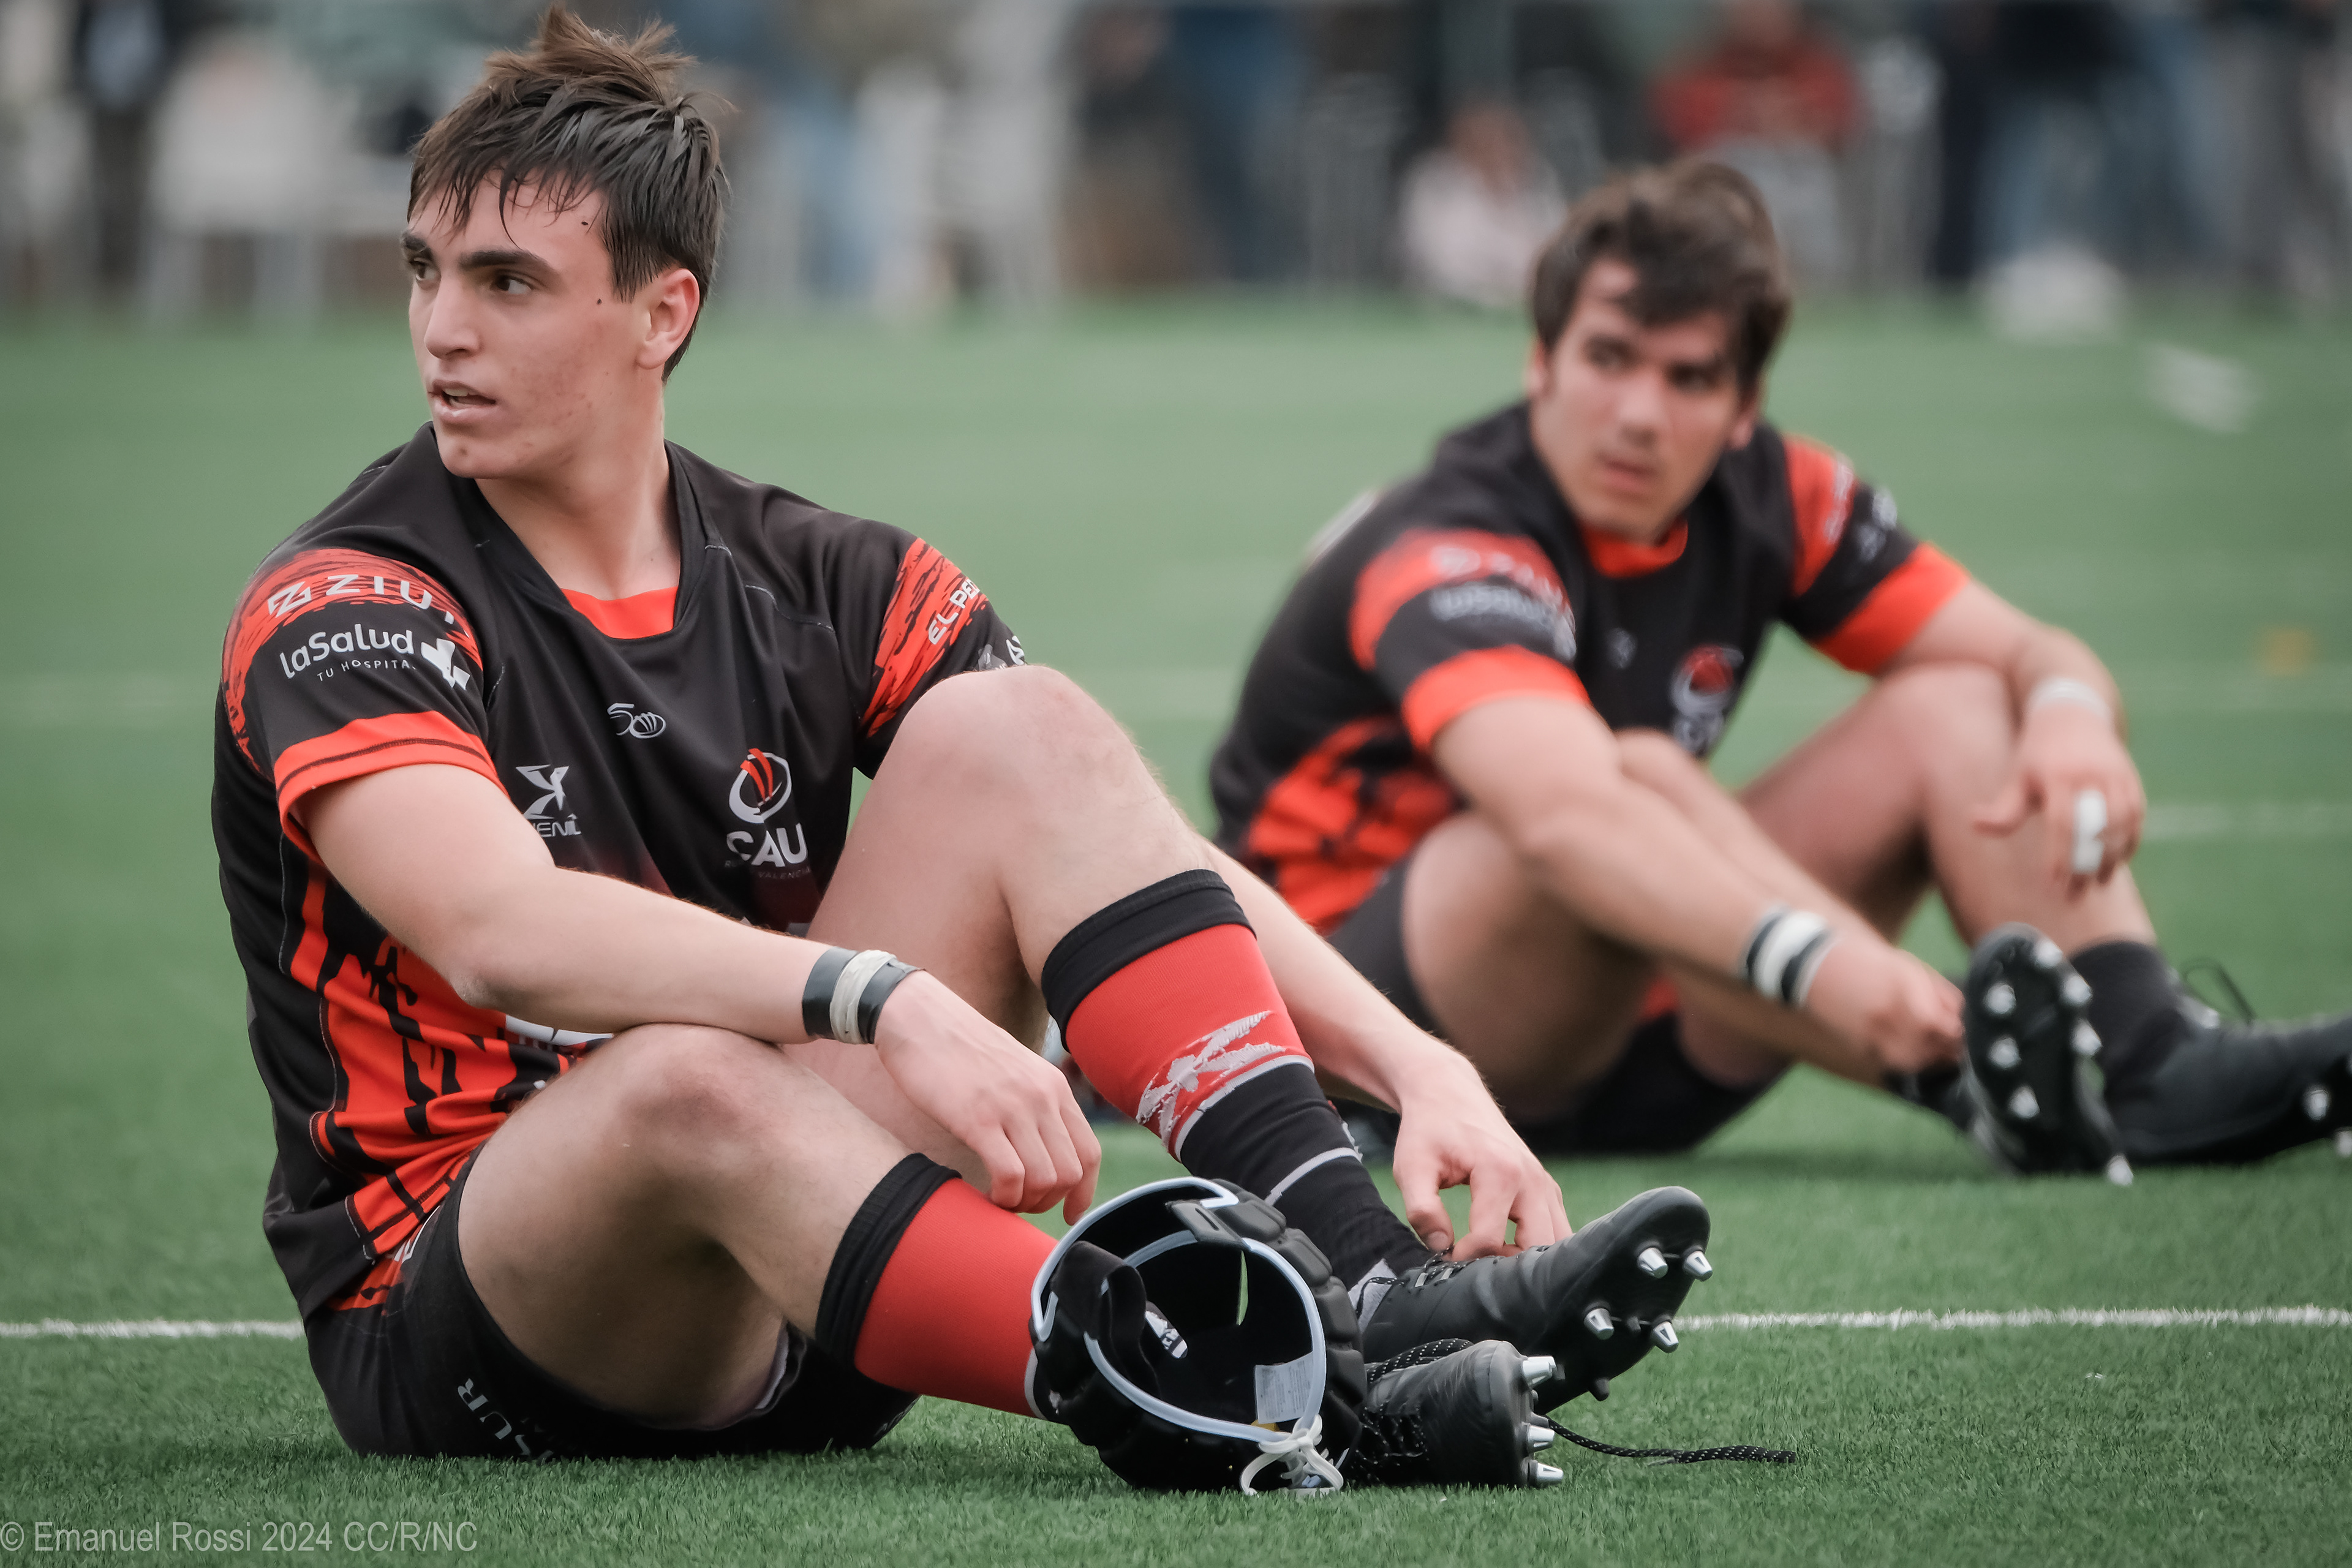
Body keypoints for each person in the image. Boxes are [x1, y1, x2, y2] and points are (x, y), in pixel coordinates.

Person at [211, 9, 1713, 1471]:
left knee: (1025, 725)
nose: (443, 328)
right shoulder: (348, 601)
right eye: (426, 270)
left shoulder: (817, 574)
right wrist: (882, 998)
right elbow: (497, 929)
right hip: (477, 1324)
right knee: (684, 1078)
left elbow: (1130, 846)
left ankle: (1374, 1284)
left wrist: (1415, 1061)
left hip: (834, 1268)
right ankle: (1274, 1385)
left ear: (663, 313)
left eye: (508, 282)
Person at [1210, 159, 2352, 1175]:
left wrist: (2068, 712)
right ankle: (1958, 1071)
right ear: (1540, 361)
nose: (1639, 415)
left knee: (1962, 701)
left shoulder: (1779, 496)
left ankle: (2151, 1059)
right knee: (1632, 774)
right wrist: (1830, 968)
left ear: (1746, 406)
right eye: (1608, 358)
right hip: (1373, 1034)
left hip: (1655, 1018)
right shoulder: (1453, 540)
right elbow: (1562, 818)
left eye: (1690, 378)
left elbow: (2027, 650)